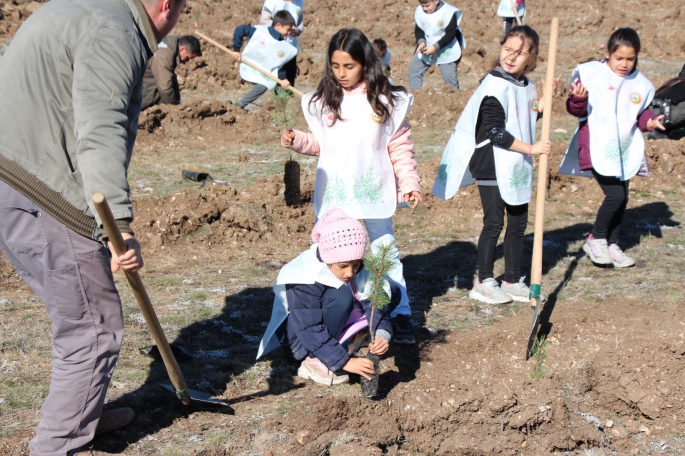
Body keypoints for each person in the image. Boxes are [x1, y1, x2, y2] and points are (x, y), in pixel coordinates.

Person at [0, 0, 184, 453]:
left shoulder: (83, 6)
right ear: (166, 4)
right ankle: (58, 445)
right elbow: (101, 127)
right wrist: (118, 225)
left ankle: (81, 414)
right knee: (92, 328)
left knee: (78, 312)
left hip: (12, 175)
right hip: (45, 191)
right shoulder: (113, 30)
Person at [281, 29, 422, 344]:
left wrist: (409, 182)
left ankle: (397, 316)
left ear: (366, 64)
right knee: (328, 253)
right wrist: (298, 140)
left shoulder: (384, 101)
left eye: (349, 66)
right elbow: (323, 144)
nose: (341, 74)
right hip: (336, 193)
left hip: (373, 192)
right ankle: (328, 316)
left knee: (385, 253)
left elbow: (399, 147)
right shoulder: (324, 101)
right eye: (335, 66)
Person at [433, 25, 555, 305]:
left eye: (520, 53)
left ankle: (511, 279)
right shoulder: (494, 85)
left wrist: (545, 100)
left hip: (514, 163)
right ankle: (484, 281)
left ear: (531, 58)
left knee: (518, 222)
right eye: (507, 49)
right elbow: (495, 132)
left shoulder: (525, 86)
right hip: (490, 161)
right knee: (494, 222)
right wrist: (532, 149)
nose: (511, 56)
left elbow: (524, 120)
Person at [559, 28, 665, 268]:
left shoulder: (640, 83)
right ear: (608, 53)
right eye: (619, 58)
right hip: (597, 145)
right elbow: (575, 111)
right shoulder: (590, 74)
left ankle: (612, 243)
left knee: (623, 197)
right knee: (615, 195)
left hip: (624, 148)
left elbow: (641, 114)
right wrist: (577, 99)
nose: (625, 64)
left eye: (631, 58)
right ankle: (595, 238)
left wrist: (649, 122)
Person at [257, 208, 398, 386]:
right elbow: (309, 327)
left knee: (389, 288)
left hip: (330, 324)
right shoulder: (304, 278)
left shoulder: (354, 265)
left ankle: (352, 338)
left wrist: (382, 333)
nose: (350, 272)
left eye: (356, 265)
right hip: (302, 342)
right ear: (328, 258)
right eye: (343, 266)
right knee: (341, 296)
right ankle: (315, 362)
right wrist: (345, 362)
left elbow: (375, 299)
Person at [231, 10, 297, 110]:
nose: (288, 33)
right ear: (278, 25)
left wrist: (283, 78)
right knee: (263, 85)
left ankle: (281, 110)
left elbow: (279, 64)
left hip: (266, 71)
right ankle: (240, 105)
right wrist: (236, 49)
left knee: (277, 86)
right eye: (287, 30)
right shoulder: (259, 32)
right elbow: (240, 30)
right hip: (250, 65)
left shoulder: (283, 46)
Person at [408, 0, 466, 90]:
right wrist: (421, 42)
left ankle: (454, 98)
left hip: (446, 48)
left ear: (436, 1)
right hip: (427, 46)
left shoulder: (448, 13)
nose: (425, 9)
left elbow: (450, 34)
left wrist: (435, 47)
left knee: (449, 77)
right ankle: (416, 95)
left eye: (427, 6)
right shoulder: (420, 12)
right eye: (422, 6)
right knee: (414, 68)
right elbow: (419, 29)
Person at [141, 34, 202, 110]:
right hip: (143, 90)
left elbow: (170, 79)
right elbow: (165, 88)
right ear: (183, 49)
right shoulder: (164, 56)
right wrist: (174, 110)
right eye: (187, 58)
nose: (187, 62)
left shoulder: (169, 46)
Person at [260, 0, 304, 86]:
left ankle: (289, 96)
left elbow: (300, 21)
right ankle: (279, 97)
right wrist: (280, 30)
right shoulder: (272, 2)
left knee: (291, 71)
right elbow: (264, 20)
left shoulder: (299, 3)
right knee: (279, 73)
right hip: (276, 44)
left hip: (291, 45)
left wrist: (297, 30)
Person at [647, 75, 685, 140]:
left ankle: (667, 131)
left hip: (651, 111)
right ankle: (660, 130)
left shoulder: (680, 80)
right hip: (657, 113)